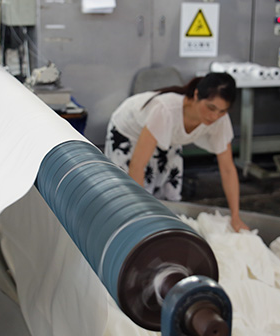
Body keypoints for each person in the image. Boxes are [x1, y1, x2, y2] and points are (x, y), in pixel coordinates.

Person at [105, 73, 250, 232]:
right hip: (129, 132)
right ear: (196, 95)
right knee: (129, 197)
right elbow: (137, 165)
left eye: (222, 111)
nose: (215, 116)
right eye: (211, 107)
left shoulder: (219, 120)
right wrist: (140, 216)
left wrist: (235, 217)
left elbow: (228, 168)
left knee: (168, 194)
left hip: (169, 139)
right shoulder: (166, 110)